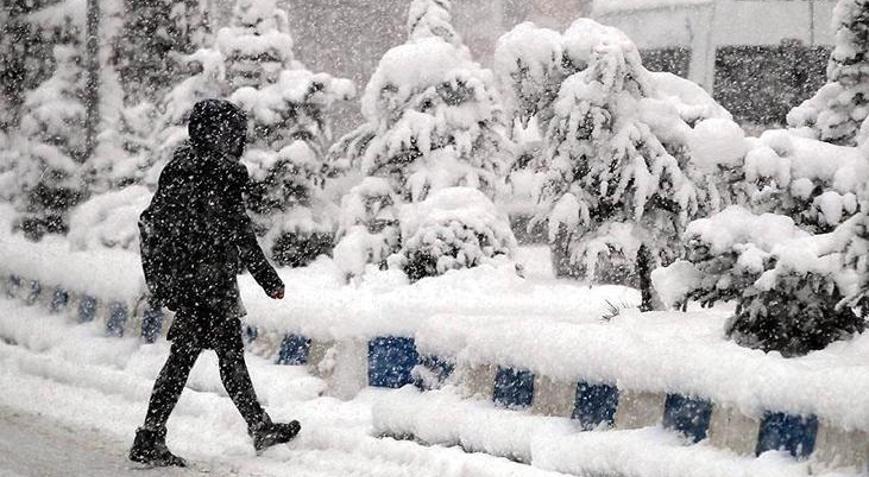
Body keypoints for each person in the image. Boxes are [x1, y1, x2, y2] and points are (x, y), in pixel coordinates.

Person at [130, 99, 300, 467]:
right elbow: (240, 232)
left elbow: (158, 223)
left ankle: (256, 426)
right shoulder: (216, 174)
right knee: (195, 359)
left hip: (195, 283)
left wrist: (168, 278)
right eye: (233, 133)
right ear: (218, 134)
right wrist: (268, 279)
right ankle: (150, 435)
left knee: (218, 356)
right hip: (206, 285)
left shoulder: (181, 169)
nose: (237, 140)